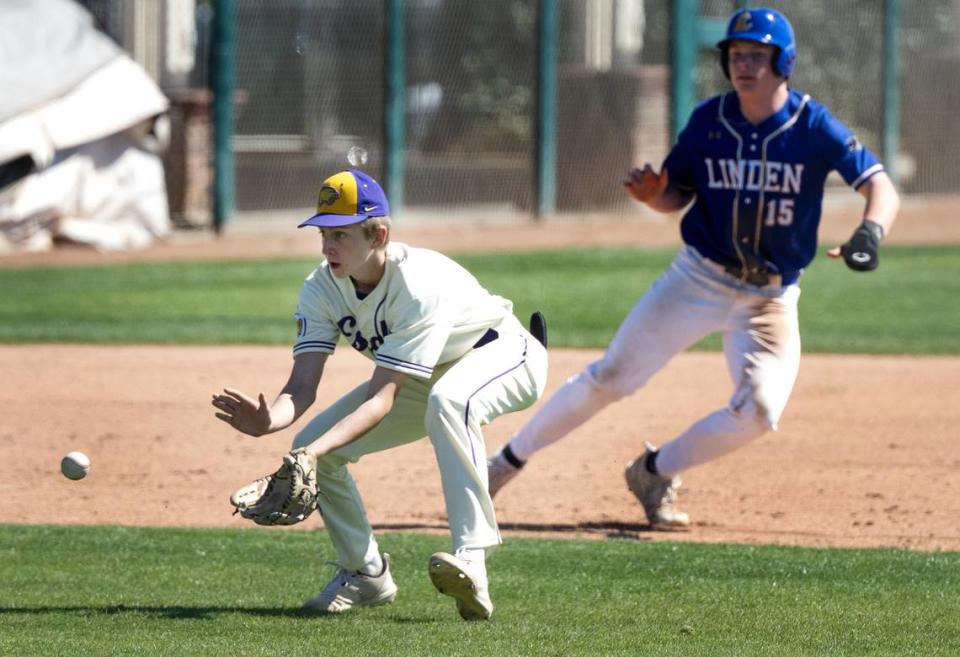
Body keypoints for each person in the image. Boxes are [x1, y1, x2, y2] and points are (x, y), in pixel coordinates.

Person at [485, 7, 899, 528]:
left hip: (769, 298)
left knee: (760, 413)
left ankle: (654, 471)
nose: (742, 64)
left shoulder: (813, 126)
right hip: (699, 277)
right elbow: (676, 195)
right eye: (735, 54)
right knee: (611, 376)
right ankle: (502, 464)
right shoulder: (710, 121)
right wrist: (655, 195)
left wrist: (870, 232)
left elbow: (878, 185)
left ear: (784, 61)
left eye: (756, 55)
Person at [212, 169, 548, 620]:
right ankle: (365, 574)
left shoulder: (417, 286)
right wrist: (269, 420)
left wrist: (311, 454)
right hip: (429, 373)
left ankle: (473, 559)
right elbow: (302, 386)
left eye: (342, 235)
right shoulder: (321, 288)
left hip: (506, 353)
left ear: (379, 234)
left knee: (449, 402)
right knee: (314, 446)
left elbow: (382, 398)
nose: (328, 246)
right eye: (323, 233)